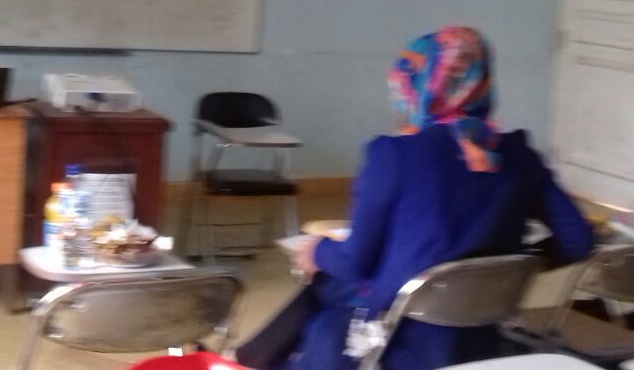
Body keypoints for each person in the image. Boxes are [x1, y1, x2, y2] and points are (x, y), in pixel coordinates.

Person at [255, 26, 594, 370]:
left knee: (325, 287)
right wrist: (511, 270)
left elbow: (356, 262)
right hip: (481, 334)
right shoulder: (520, 156)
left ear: (414, 87)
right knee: (327, 286)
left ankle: (248, 360)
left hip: (402, 336)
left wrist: (316, 251)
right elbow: (578, 240)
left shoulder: (394, 155)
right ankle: (249, 358)